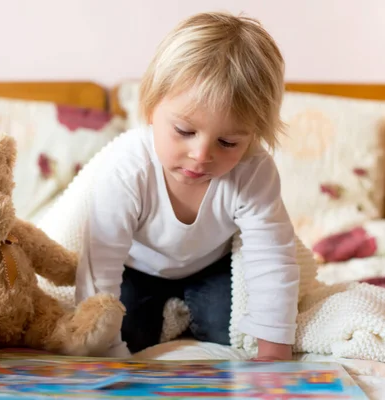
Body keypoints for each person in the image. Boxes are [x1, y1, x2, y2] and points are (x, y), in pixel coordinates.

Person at [75, 11, 299, 361]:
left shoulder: (253, 170)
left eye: (228, 142)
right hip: (136, 267)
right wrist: (103, 358)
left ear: (253, 136)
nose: (201, 155)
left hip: (210, 265)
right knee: (125, 335)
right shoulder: (128, 167)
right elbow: (98, 266)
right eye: (184, 131)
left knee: (232, 330)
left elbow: (272, 258)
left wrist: (273, 357)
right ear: (150, 109)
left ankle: (186, 315)